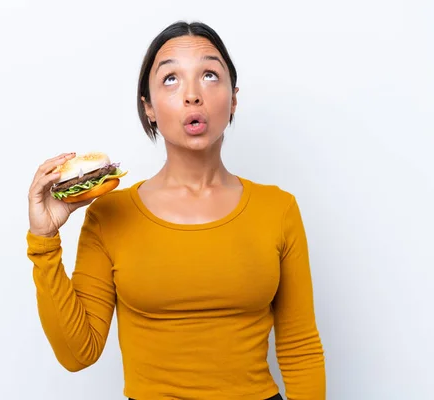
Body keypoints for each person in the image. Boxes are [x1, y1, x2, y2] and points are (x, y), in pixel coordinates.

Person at [26, 20, 326, 400]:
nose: (192, 95)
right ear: (148, 107)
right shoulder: (110, 214)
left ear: (233, 99)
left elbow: (300, 348)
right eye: (171, 79)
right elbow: (77, 353)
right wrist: (44, 240)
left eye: (210, 75)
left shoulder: (278, 208)